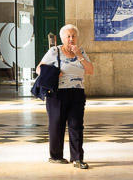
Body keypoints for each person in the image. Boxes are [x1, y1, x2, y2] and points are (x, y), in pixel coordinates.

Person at [36, 24, 95, 169]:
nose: (71, 39)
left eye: (73, 36)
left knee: (76, 126)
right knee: (56, 125)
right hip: (57, 94)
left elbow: (90, 71)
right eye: (68, 36)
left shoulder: (81, 51)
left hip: (77, 93)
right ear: (62, 38)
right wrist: (53, 73)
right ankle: (55, 156)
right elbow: (39, 69)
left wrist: (80, 56)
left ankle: (77, 158)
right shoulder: (54, 51)